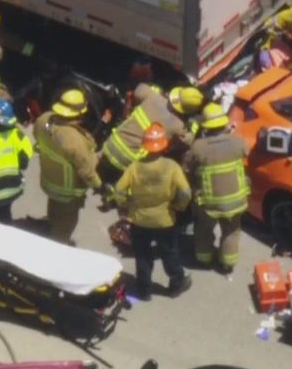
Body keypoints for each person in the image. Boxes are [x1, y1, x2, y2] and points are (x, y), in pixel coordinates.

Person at [114, 123, 193, 301]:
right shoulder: (171, 166)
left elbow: (118, 190)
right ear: (164, 145)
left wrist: (126, 205)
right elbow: (186, 192)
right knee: (169, 253)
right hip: (165, 220)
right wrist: (179, 206)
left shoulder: (135, 167)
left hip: (140, 219)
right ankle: (176, 285)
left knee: (142, 255)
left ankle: (144, 290)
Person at [184, 103, 250, 275]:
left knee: (203, 231)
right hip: (235, 201)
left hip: (208, 204)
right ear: (225, 124)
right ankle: (227, 264)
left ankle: (204, 260)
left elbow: (187, 168)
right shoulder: (238, 142)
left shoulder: (198, 147)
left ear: (205, 126)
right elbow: (246, 152)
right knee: (231, 232)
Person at [33, 89, 105, 245]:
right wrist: (99, 186)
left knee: (54, 209)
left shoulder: (44, 120)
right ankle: (55, 251)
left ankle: (51, 227)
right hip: (68, 191)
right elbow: (86, 170)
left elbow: (36, 136)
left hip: (49, 182)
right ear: (79, 113)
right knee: (65, 226)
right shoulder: (74, 139)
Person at [99, 83, 199, 184]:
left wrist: (156, 91)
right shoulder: (178, 127)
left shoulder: (153, 97)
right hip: (126, 163)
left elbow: (139, 89)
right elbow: (188, 142)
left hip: (110, 145)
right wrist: (194, 127)